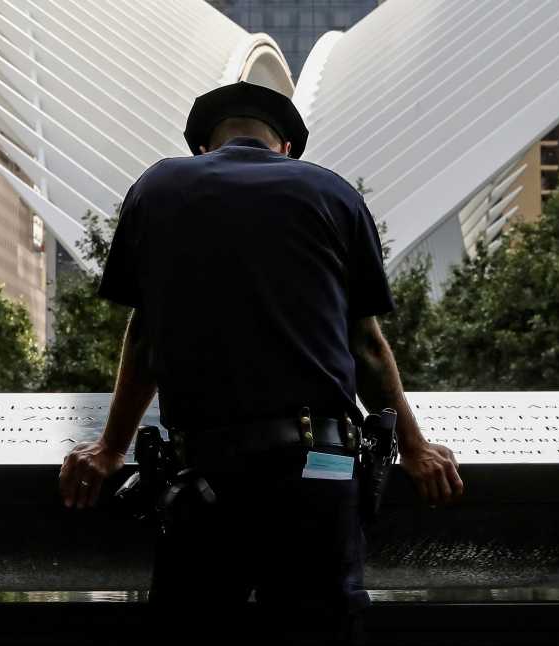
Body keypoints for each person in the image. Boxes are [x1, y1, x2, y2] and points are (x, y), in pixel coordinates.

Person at [58, 81, 464, 645]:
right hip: (320, 471)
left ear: (204, 147)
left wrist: (109, 448)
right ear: (287, 148)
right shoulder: (332, 193)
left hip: (203, 478)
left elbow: (146, 337)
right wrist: (416, 448)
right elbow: (365, 343)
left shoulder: (158, 187)